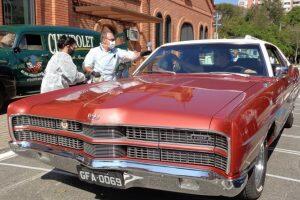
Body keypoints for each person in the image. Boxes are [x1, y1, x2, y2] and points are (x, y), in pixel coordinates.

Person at [83, 31, 149, 82]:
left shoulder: (117, 51)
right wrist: (93, 72)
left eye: (114, 40)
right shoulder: (94, 51)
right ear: (104, 40)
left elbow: (132, 56)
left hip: (112, 82)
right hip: (97, 83)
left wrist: (142, 54)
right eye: (111, 40)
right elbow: (86, 66)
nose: (114, 42)